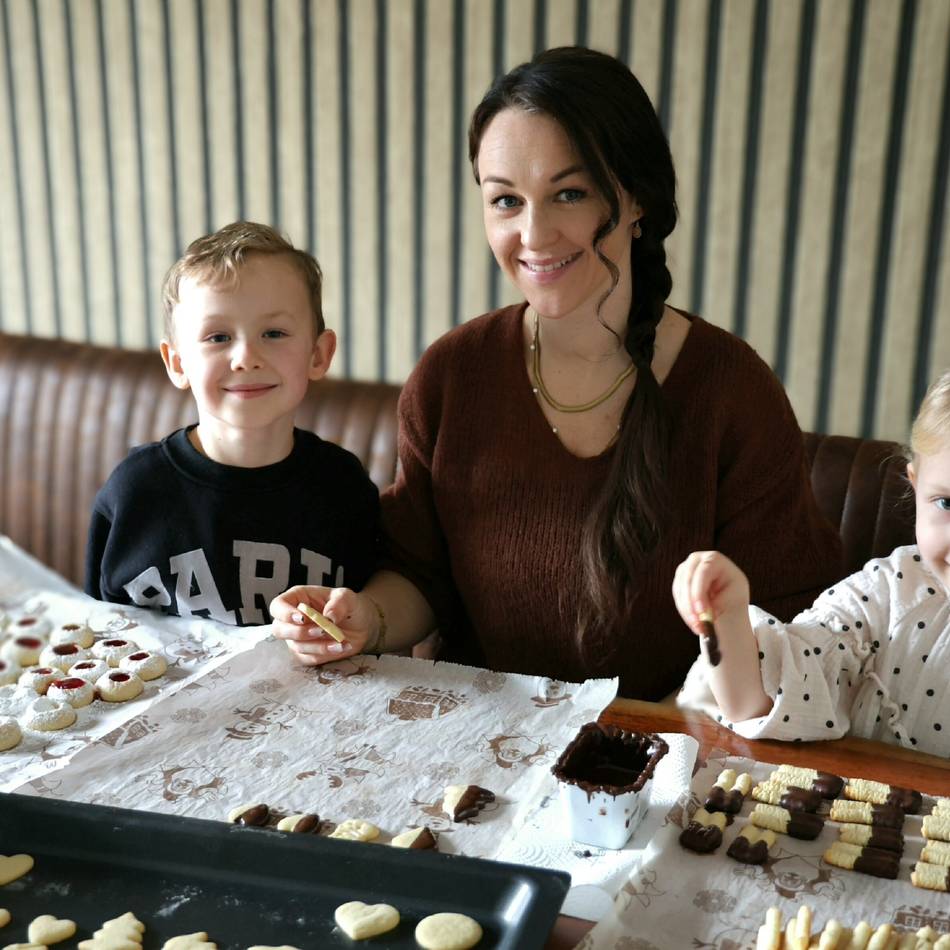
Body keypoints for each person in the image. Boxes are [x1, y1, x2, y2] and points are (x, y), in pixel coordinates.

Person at [270, 47, 841, 698]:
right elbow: (419, 575)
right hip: (477, 753)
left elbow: (789, 628)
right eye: (506, 200)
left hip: (661, 759)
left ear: (636, 198)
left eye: (569, 192)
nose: (534, 233)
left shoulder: (731, 392)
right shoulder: (452, 375)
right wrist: (365, 620)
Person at [85, 221, 379, 624]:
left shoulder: (343, 486)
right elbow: (101, 639)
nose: (246, 357)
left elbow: (373, 634)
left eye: (274, 332)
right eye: (217, 337)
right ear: (177, 362)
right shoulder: (135, 492)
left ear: (318, 354)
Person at [673, 370, 950, 756]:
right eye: (947, 504)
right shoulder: (890, 594)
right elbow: (757, 702)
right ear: (916, 485)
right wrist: (728, 619)